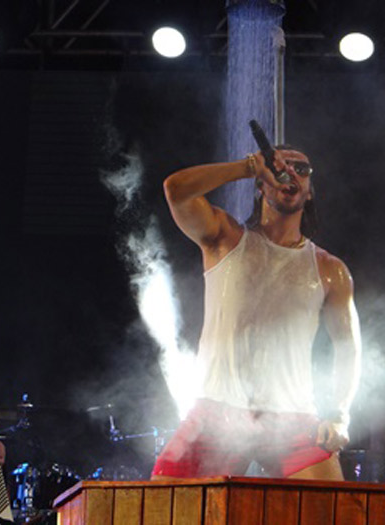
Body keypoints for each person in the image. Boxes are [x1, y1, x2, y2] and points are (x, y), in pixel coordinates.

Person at [151, 145, 362, 481]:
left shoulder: (330, 269)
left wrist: (339, 415)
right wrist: (249, 166)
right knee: (163, 507)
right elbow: (175, 189)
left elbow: (348, 349)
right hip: (217, 411)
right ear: (262, 185)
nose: (290, 172)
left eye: (302, 169)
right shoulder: (225, 238)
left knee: (335, 511)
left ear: (309, 193)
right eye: (280, 166)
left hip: (291, 417)